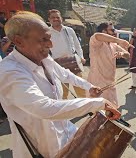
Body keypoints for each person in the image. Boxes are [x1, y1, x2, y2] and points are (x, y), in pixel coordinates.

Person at [0, 11, 120, 158]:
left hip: (64, 137)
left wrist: (88, 86)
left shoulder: (44, 58)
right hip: (41, 149)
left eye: (49, 38)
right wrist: (97, 103)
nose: (50, 45)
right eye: (43, 39)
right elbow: (44, 108)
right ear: (19, 41)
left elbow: (65, 74)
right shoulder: (9, 72)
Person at [87, 22, 131, 108]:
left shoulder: (113, 44)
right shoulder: (95, 42)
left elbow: (128, 54)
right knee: (99, 110)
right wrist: (120, 40)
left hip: (111, 81)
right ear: (104, 31)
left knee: (111, 109)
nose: (115, 32)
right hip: (98, 82)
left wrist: (122, 53)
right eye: (112, 30)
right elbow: (97, 35)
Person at [48, 9, 86, 99]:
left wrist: (81, 57)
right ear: (49, 19)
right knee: (62, 91)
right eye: (53, 17)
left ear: (61, 18)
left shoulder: (69, 30)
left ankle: (86, 108)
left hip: (73, 62)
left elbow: (77, 45)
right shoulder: (47, 32)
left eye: (58, 17)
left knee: (80, 87)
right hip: (58, 64)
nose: (56, 19)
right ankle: (65, 110)